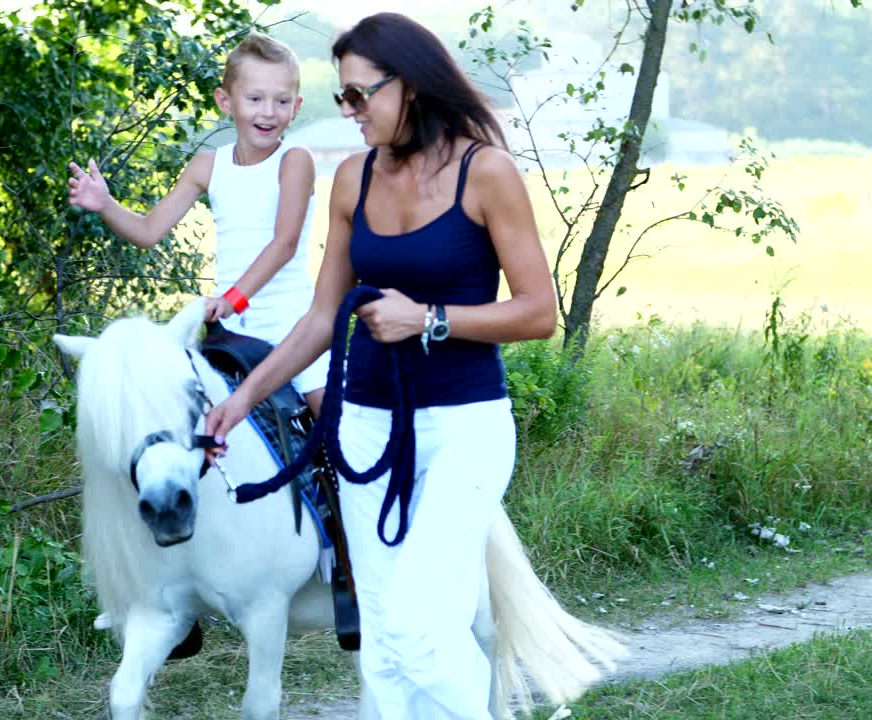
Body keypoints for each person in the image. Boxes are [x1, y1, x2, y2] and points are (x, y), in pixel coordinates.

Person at [204, 13, 556, 718]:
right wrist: (241, 401)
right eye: (343, 97)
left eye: (360, 95)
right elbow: (320, 321)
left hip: (464, 429)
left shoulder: (484, 172)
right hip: (363, 428)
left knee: (420, 631)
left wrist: (430, 320)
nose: (349, 111)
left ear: (413, 87)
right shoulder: (351, 180)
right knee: (386, 647)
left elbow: (539, 311)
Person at [67, 31, 327, 416]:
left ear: (297, 105)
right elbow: (147, 232)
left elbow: (284, 243)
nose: (269, 112)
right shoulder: (208, 166)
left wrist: (231, 299)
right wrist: (105, 205)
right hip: (234, 331)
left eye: (282, 101)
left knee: (335, 428)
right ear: (226, 101)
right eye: (255, 99)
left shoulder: (294, 160)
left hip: (295, 326)